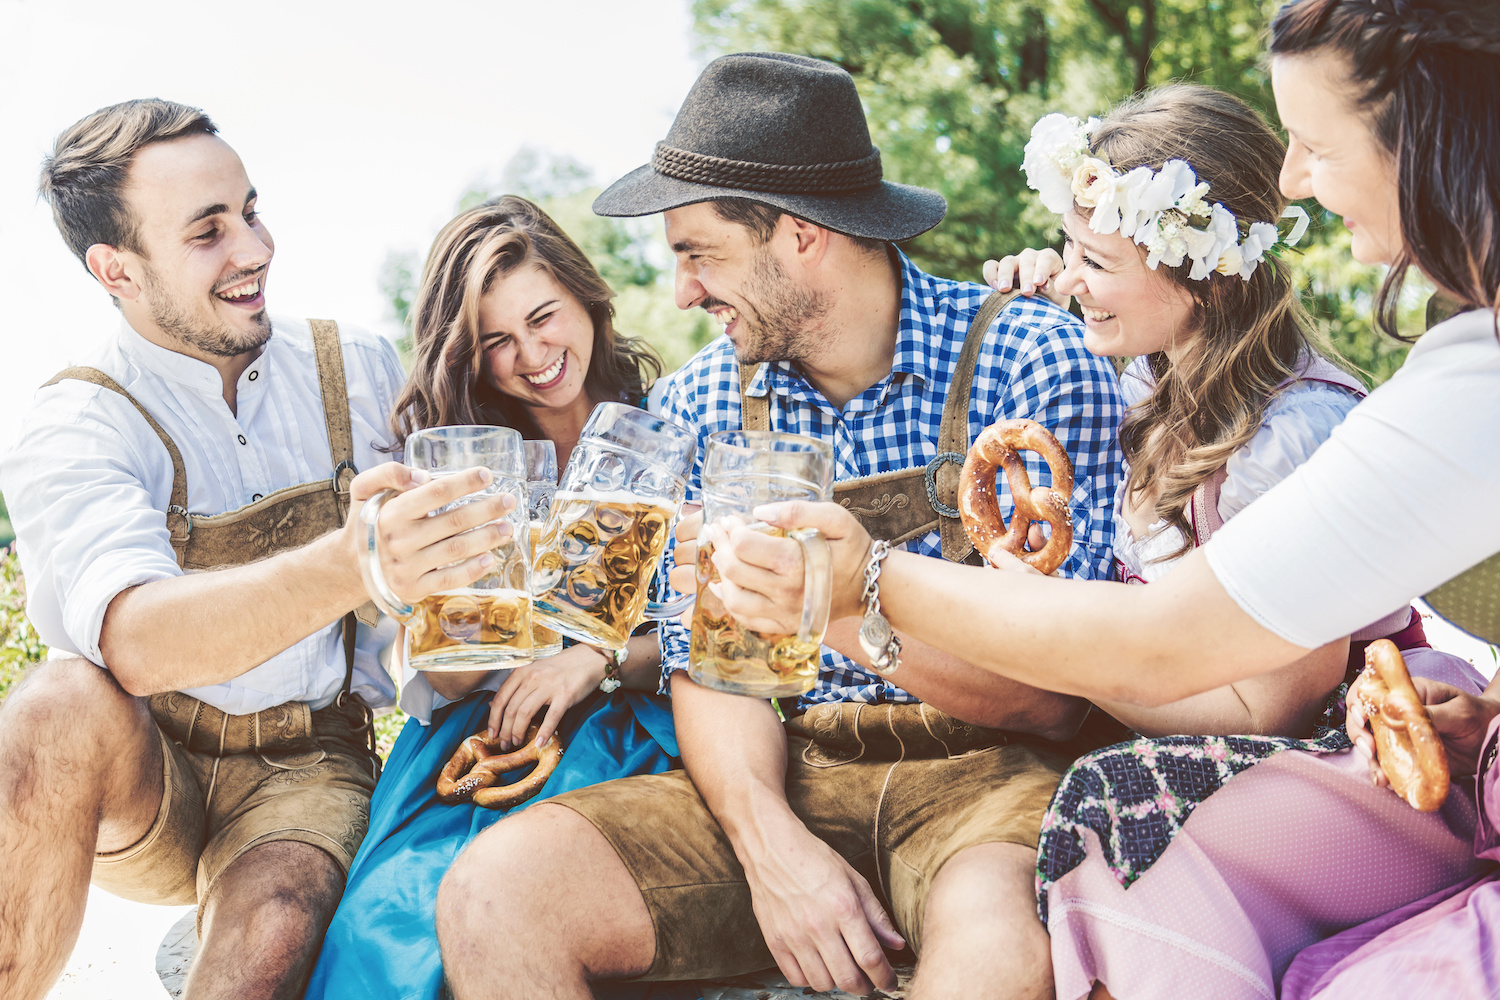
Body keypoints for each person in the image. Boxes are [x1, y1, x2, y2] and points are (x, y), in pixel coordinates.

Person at [707, 1, 1500, 997]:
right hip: (1231, 716)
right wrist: (1069, 294)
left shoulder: (1300, 424)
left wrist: (889, 588)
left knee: (1107, 808)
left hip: (1321, 745)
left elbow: (1254, 694)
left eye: (1314, 146)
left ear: (1203, 281)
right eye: (1068, 251)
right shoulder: (1137, 380)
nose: (1294, 181)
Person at [435, 52, 1127, 1000]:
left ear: (802, 237)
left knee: (997, 958)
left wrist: (832, 605)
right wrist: (773, 854)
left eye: (698, 253)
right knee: (496, 893)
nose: (680, 293)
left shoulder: (1031, 354)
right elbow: (711, 672)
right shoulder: (700, 402)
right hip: (785, 770)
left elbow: (1053, 694)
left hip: (991, 781)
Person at [0, 100, 505, 1000]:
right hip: (149, 768)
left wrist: (454, 608)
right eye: (208, 232)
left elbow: (420, 638)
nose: (255, 249)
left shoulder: (355, 369)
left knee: (271, 940)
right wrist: (356, 560)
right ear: (115, 269)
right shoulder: (78, 418)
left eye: (251, 210)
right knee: (55, 699)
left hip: (311, 763)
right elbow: (137, 643)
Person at [303, 197, 685, 1000]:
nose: (532, 355)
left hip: (643, 733)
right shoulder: (462, 474)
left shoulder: (675, 424)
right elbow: (440, 684)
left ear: (587, 298)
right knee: (392, 934)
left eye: (545, 317)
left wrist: (594, 663)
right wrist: (429, 595)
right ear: (469, 359)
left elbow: (708, 630)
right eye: (497, 342)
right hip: (480, 738)